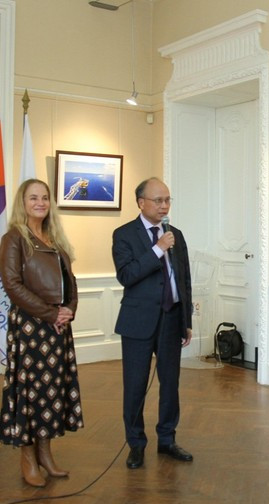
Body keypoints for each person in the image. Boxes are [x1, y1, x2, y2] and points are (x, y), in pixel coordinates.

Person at [0, 178, 83, 487]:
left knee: (52, 392)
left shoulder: (55, 239)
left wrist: (69, 308)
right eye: (33, 198)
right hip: (32, 327)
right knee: (30, 394)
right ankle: (28, 457)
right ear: (23, 203)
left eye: (45, 198)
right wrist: (50, 313)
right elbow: (12, 285)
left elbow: (69, 281)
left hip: (57, 328)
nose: (40, 203)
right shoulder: (14, 239)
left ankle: (46, 454)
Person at [112, 177, 194, 469]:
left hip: (172, 320)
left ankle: (167, 439)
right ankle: (136, 444)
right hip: (138, 321)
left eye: (167, 200)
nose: (164, 206)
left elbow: (183, 279)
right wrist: (158, 248)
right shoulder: (124, 234)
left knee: (170, 384)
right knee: (134, 386)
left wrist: (186, 320)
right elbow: (127, 275)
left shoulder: (177, 235)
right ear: (141, 202)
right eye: (158, 200)